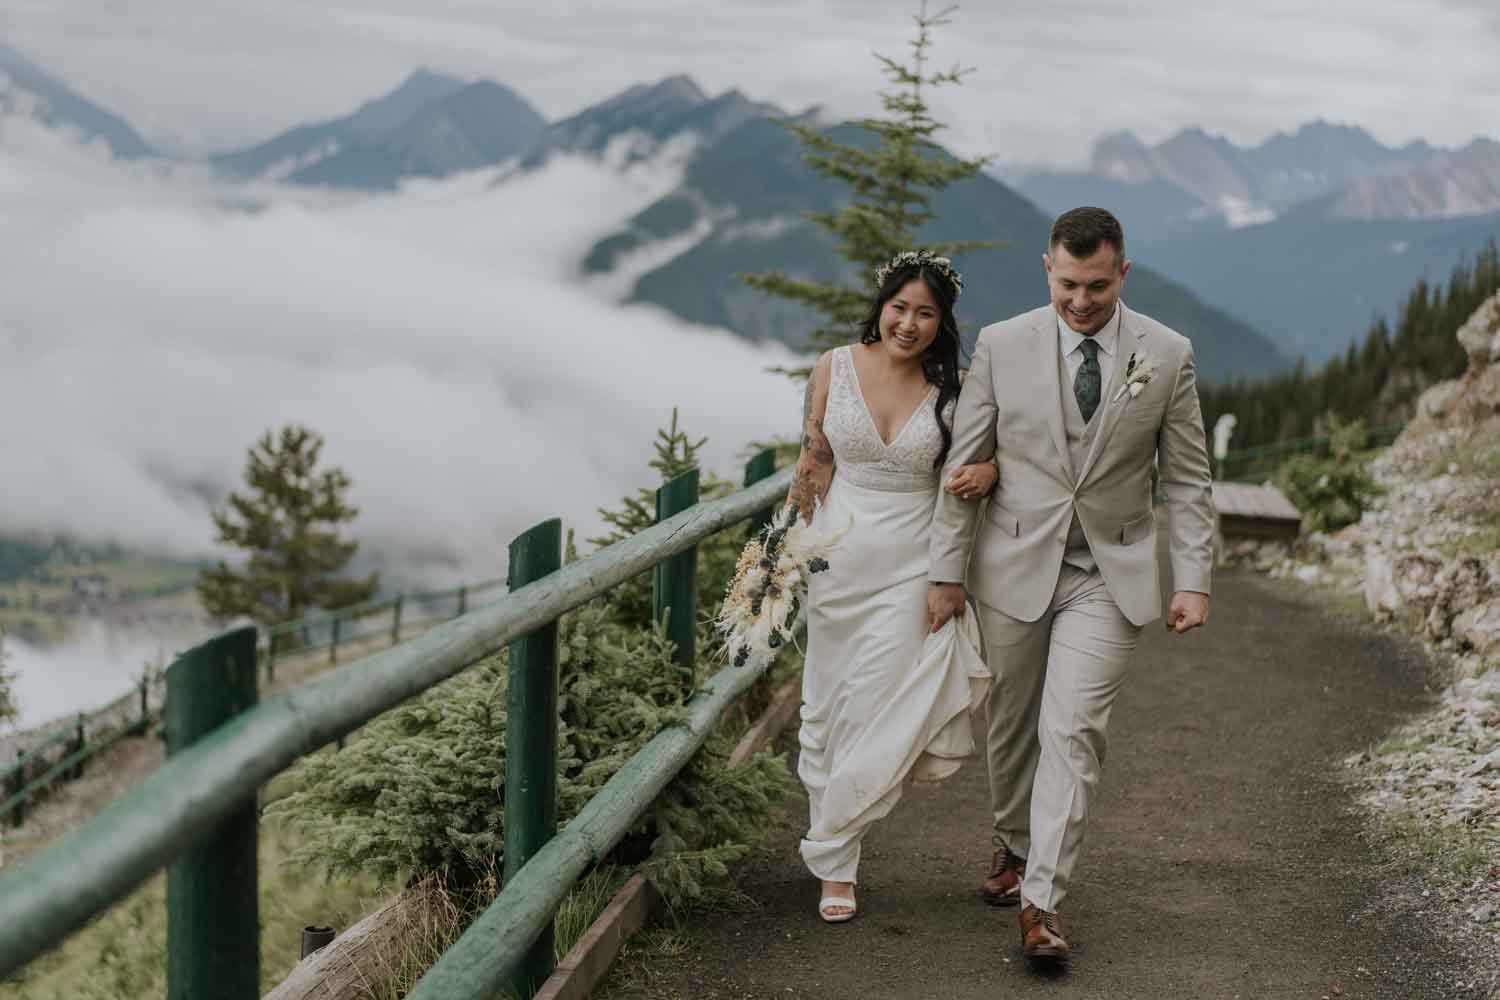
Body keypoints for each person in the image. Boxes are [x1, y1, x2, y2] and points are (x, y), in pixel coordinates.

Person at [927, 207, 1215, 964]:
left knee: (1074, 731)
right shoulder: (1001, 344)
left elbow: (1187, 478)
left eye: (1096, 285)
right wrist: (945, 573)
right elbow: (967, 465)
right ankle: (1013, 843)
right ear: (1045, 268)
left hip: (1109, 571)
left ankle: (1042, 901)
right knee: (1013, 728)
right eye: (1066, 284)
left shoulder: (1168, 353)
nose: (1080, 301)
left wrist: (1193, 579)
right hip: (1013, 564)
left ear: (1123, 272)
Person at [790, 250, 996, 923]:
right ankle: (836, 855)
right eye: (900, 307)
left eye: (926, 312)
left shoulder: (957, 388)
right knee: (828, 705)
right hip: (838, 562)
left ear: (944, 321)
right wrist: (781, 561)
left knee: (874, 703)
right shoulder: (833, 366)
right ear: (882, 306)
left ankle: (835, 856)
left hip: (913, 564)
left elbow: (971, 478)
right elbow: (813, 462)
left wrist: (984, 481)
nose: (909, 323)